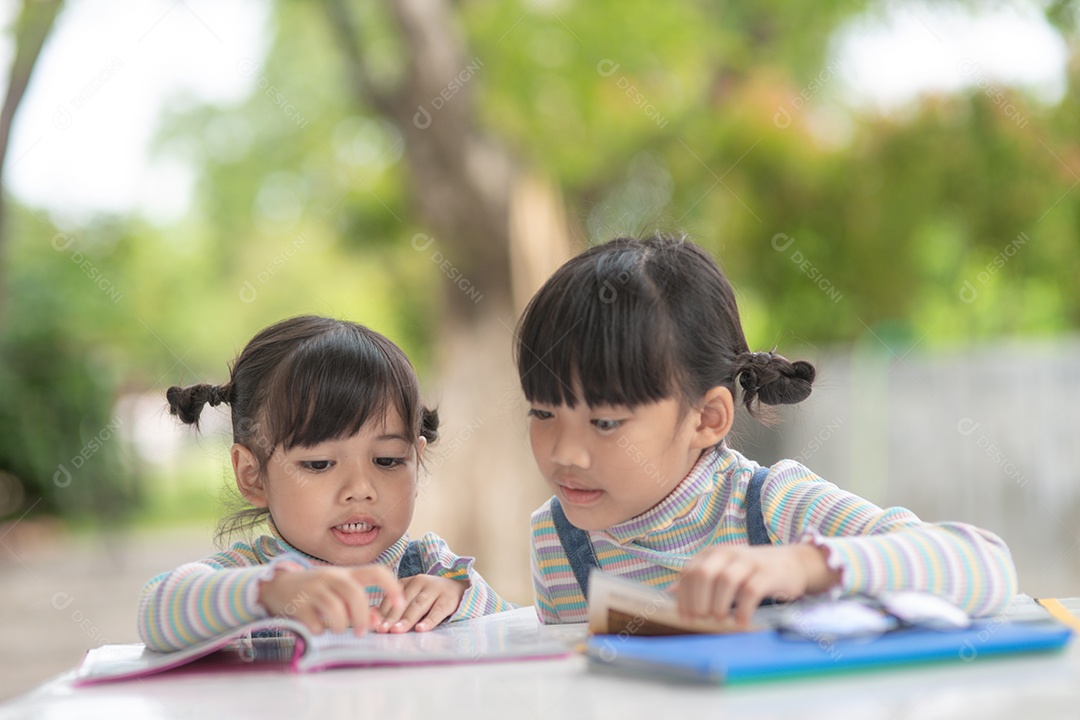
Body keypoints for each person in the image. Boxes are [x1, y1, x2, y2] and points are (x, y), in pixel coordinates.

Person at [516, 235, 1017, 625]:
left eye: (604, 422)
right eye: (543, 412)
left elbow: (985, 566)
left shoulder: (770, 507)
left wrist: (800, 566)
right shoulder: (556, 537)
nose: (566, 453)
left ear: (707, 419)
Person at [139, 315, 513, 652]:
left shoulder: (432, 566)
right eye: (319, 464)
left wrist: (459, 596)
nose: (361, 488)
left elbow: (516, 633)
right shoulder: (244, 574)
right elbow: (156, 611)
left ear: (415, 459)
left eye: (387, 461)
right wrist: (266, 593)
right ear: (253, 477)